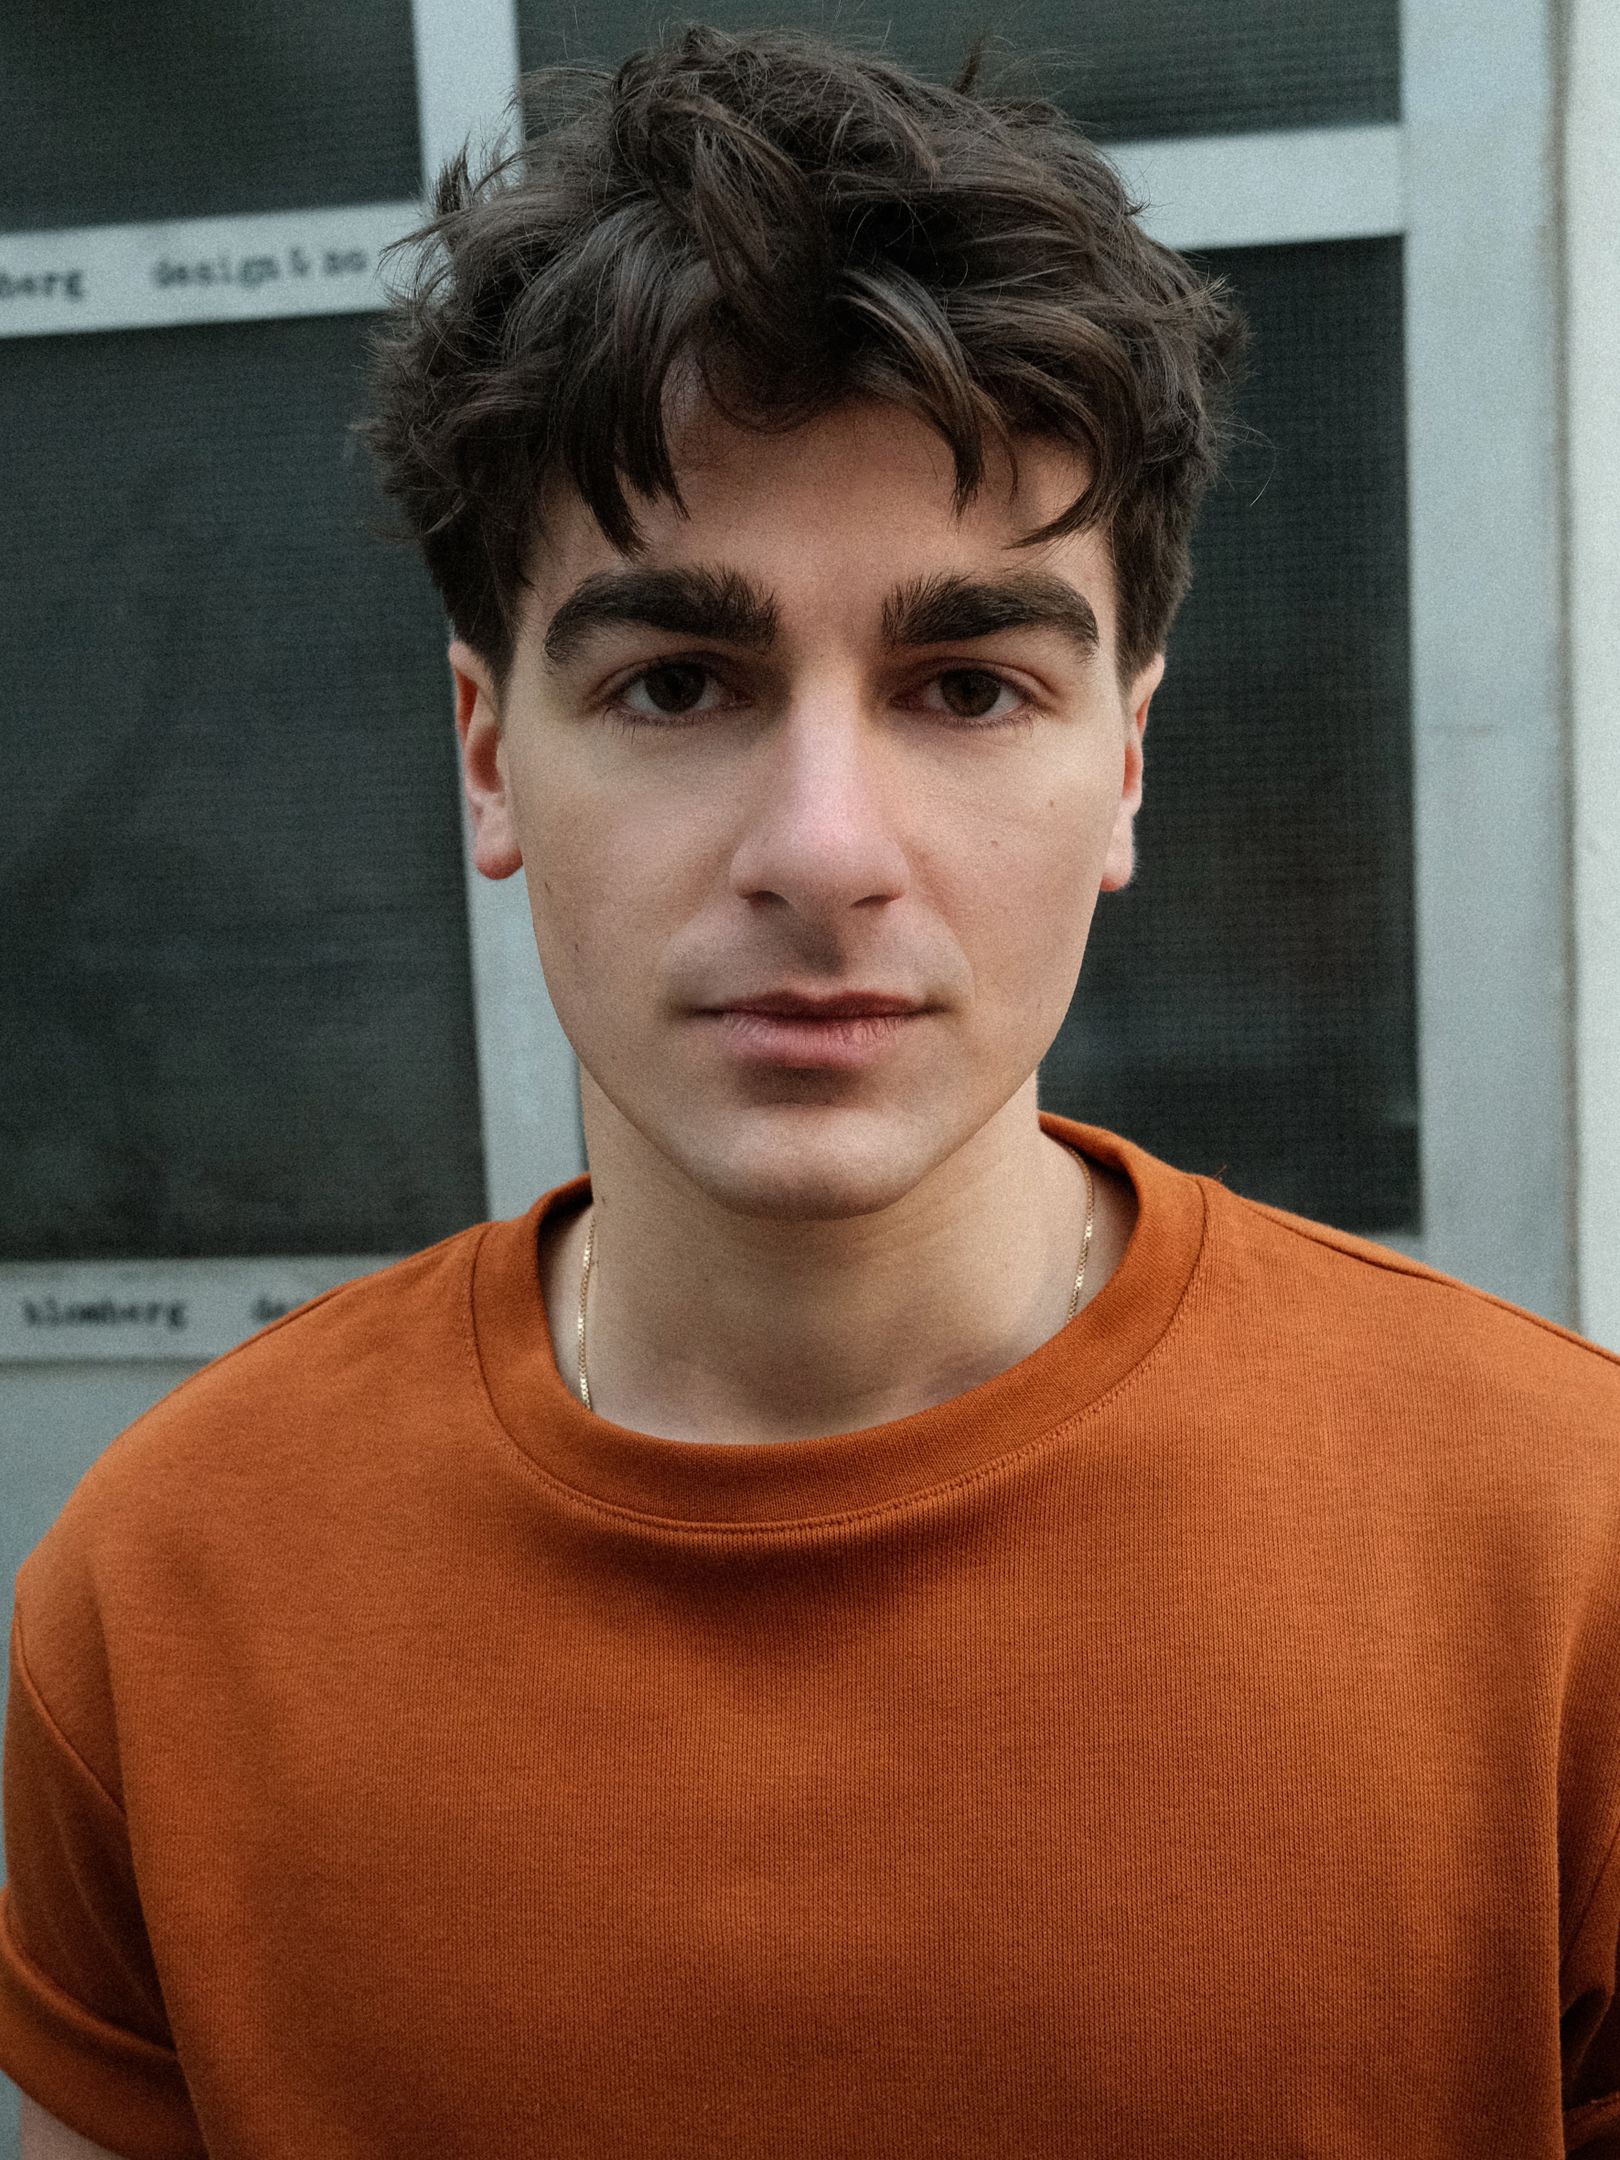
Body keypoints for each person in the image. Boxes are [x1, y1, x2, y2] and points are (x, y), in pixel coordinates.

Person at [5, 21, 1620, 2158]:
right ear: (489, 754)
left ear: (1126, 762)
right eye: (680, 682)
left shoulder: (1567, 1560)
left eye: (971, 685)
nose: (825, 849)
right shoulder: (168, 1593)